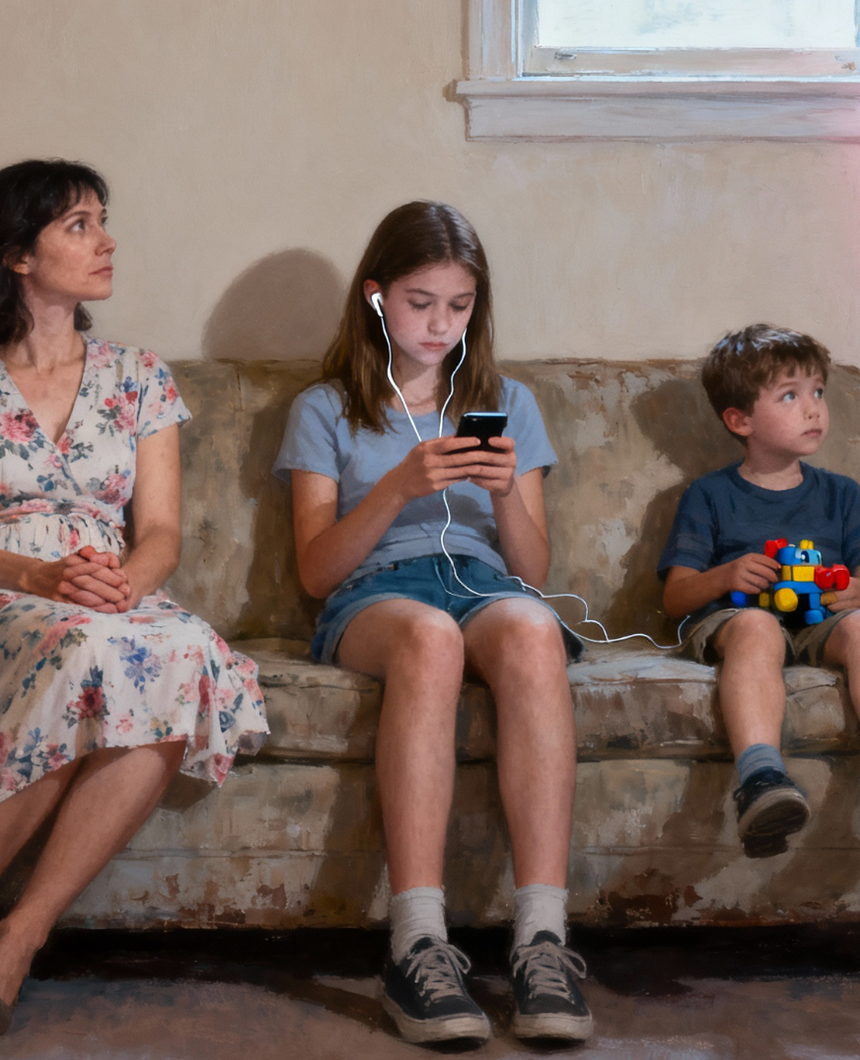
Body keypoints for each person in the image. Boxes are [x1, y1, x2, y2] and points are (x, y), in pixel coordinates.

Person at [0, 158, 267, 1040]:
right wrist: (41, 578)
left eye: (101, 219)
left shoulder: (140, 376)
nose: (107, 240)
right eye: (79, 224)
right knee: (85, 646)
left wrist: (124, 584)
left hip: (108, 591)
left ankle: (17, 938)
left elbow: (160, 531)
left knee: (175, 653)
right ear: (16, 253)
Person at [272, 201, 592, 1048]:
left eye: (459, 306)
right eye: (421, 303)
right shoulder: (326, 408)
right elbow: (315, 571)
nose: (440, 325)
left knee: (529, 628)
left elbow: (532, 572)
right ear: (375, 298)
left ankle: (543, 940)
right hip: (377, 593)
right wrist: (397, 489)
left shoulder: (506, 400)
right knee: (429, 636)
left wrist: (501, 492)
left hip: (485, 584)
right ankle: (418, 943)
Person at [659, 324, 860, 857]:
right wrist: (725, 577)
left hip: (825, 619)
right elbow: (676, 596)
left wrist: (859, 596)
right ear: (740, 420)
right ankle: (761, 781)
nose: (813, 409)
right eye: (790, 396)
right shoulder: (708, 495)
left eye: (818, 392)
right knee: (757, 629)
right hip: (740, 619)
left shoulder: (843, 494)